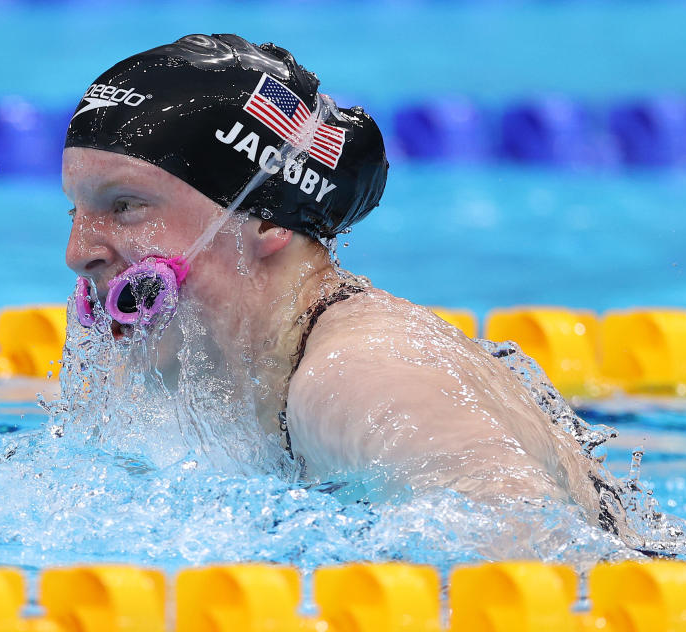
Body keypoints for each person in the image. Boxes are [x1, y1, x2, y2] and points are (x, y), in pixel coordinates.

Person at [62, 34, 606, 523]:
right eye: (75, 212)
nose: (78, 252)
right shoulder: (199, 369)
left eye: (126, 205)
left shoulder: (362, 375)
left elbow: (536, 557)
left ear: (266, 219)